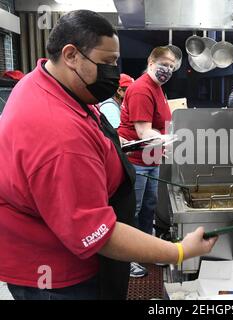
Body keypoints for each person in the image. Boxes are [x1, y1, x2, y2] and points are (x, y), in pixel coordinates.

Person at [0, 10, 216, 300]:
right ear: (71, 55)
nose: (113, 72)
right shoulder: (60, 136)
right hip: (56, 275)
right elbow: (98, 233)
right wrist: (179, 251)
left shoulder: (54, 84)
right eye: (106, 62)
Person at [118, 46, 175, 277]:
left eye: (172, 66)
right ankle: (127, 259)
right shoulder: (142, 89)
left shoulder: (158, 88)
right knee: (134, 208)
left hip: (151, 158)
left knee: (149, 207)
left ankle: (147, 251)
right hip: (136, 160)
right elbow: (143, 132)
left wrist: (163, 143)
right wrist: (169, 139)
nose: (168, 70)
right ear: (151, 62)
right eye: (164, 64)